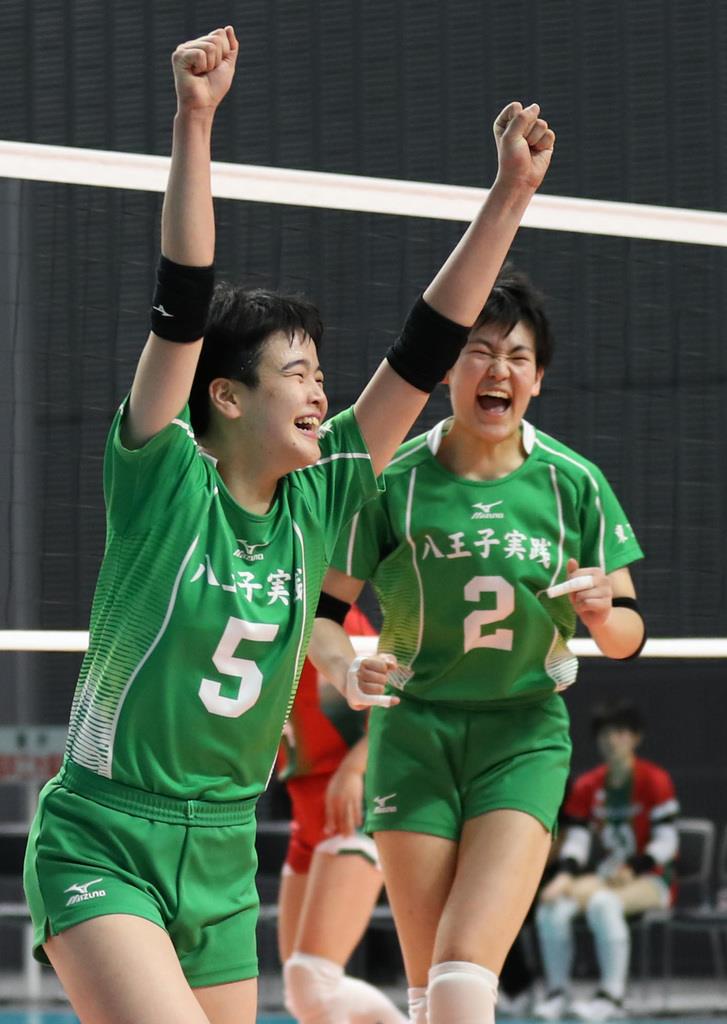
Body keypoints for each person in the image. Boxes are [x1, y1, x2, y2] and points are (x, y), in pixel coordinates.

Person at [21, 24, 556, 1024]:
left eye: (321, 376)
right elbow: (181, 305)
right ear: (225, 397)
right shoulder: (162, 478)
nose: (321, 394)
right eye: (298, 375)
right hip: (107, 834)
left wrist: (509, 195)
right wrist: (194, 121)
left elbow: (425, 345)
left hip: (225, 848)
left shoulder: (323, 494)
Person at [309, 267, 647, 1024]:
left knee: (462, 972)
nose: (499, 369)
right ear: (445, 371)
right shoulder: (391, 479)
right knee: (428, 992)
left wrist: (601, 613)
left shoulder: (574, 482)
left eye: (518, 356)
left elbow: (628, 632)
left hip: (522, 733)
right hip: (413, 734)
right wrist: (347, 668)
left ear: (538, 378)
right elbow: (322, 615)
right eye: (480, 352)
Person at [277, 606, 406, 1024]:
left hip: (355, 804)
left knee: (312, 981)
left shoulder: (332, 617)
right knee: (303, 990)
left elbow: (396, 699)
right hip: (306, 808)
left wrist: (354, 767)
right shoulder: (249, 613)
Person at [534, 702, 679, 1023]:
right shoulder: (588, 785)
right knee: (552, 905)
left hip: (652, 879)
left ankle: (612, 997)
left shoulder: (655, 780)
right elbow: (578, 840)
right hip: (607, 877)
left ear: (635, 737)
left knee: (602, 904)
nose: (612, 740)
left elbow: (668, 841)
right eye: (605, 734)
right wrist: (565, 876)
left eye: (620, 733)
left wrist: (635, 868)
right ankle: (558, 992)